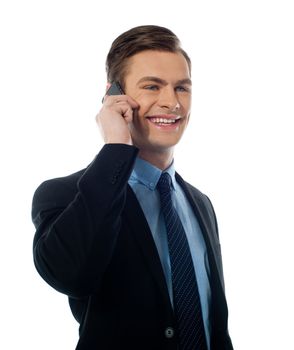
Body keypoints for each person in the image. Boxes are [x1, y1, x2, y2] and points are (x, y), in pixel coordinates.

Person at [31, 25, 233, 350]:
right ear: (114, 95)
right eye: (152, 86)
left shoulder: (200, 203)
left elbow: (213, 323)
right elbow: (70, 275)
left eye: (182, 88)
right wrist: (116, 146)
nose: (172, 102)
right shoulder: (65, 195)